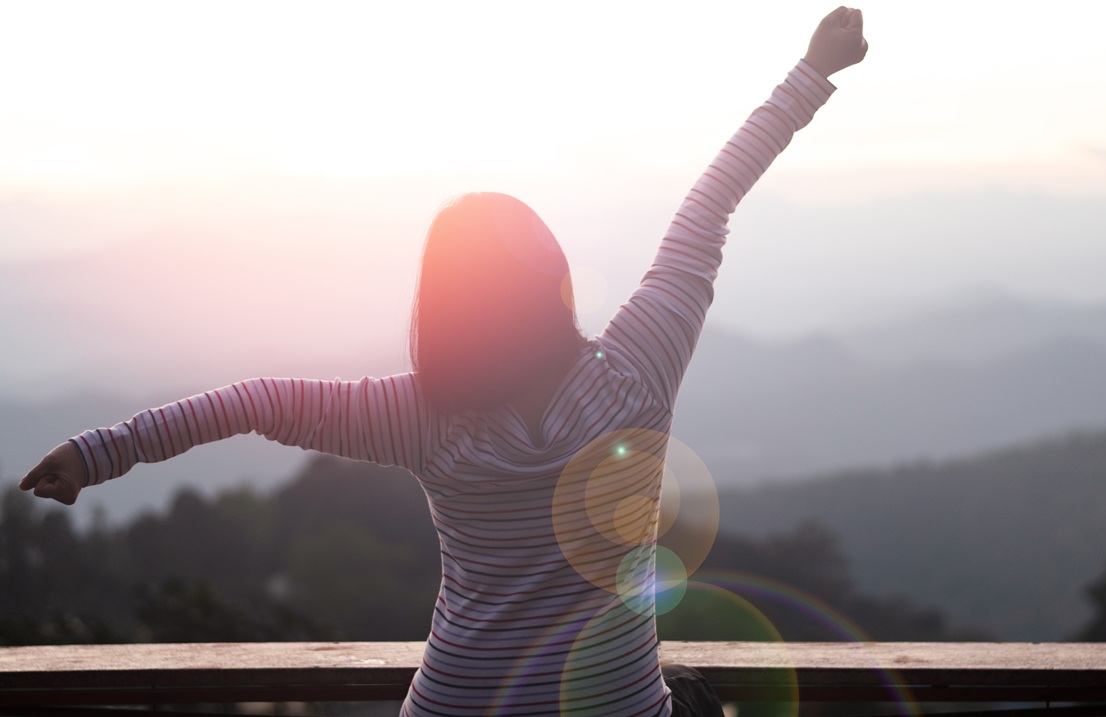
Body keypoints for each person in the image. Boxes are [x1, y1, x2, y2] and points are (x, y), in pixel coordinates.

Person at [21, 8, 867, 716]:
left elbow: (255, 399)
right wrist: (813, 72)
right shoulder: (637, 373)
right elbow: (708, 206)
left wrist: (101, 452)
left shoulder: (420, 414)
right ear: (555, 284)